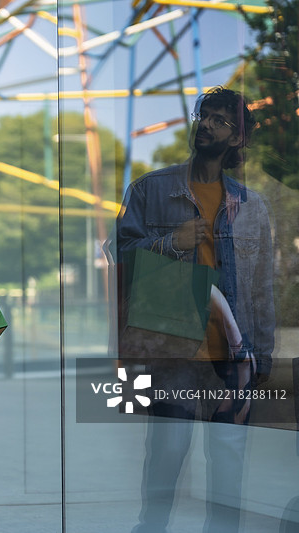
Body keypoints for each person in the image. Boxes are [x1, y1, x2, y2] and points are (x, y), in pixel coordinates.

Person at [110, 87, 275, 532]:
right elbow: (118, 258)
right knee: (164, 462)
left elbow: (261, 287)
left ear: (238, 138)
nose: (206, 124)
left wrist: (262, 357)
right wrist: (169, 243)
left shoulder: (252, 206)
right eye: (204, 115)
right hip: (171, 355)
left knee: (227, 471)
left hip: (231, 360)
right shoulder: (149, 190)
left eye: (220, 120)